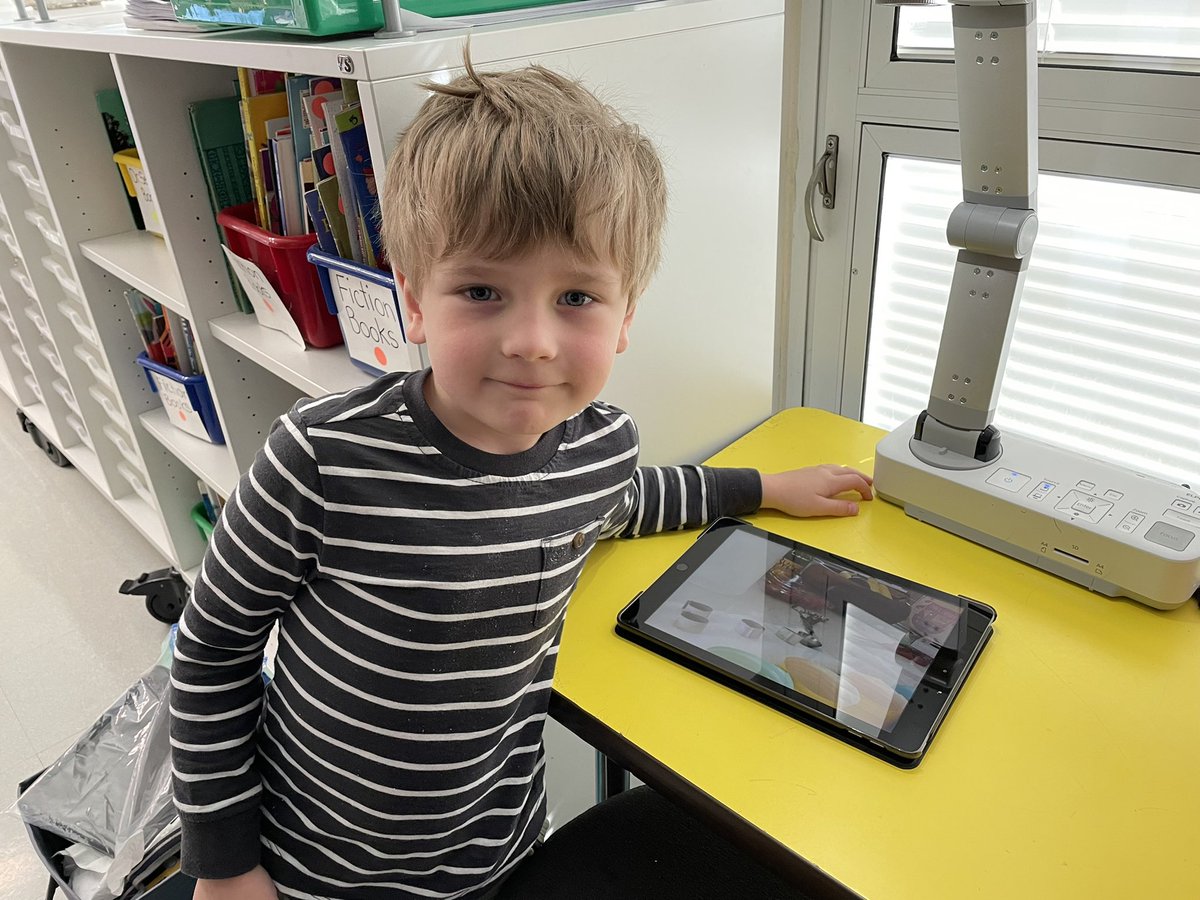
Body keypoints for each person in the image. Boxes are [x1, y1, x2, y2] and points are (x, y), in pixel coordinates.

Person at [171, 55, 873, 900]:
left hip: (495, 851)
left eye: (577, 298)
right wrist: (225, 865)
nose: (532, 342)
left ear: (626, 317)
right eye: (481, 291)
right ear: (415, 301)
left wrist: (763, 488)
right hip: (323, 867)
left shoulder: (601, 447)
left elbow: (630, 500)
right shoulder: (320, 459)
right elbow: (212, 652)